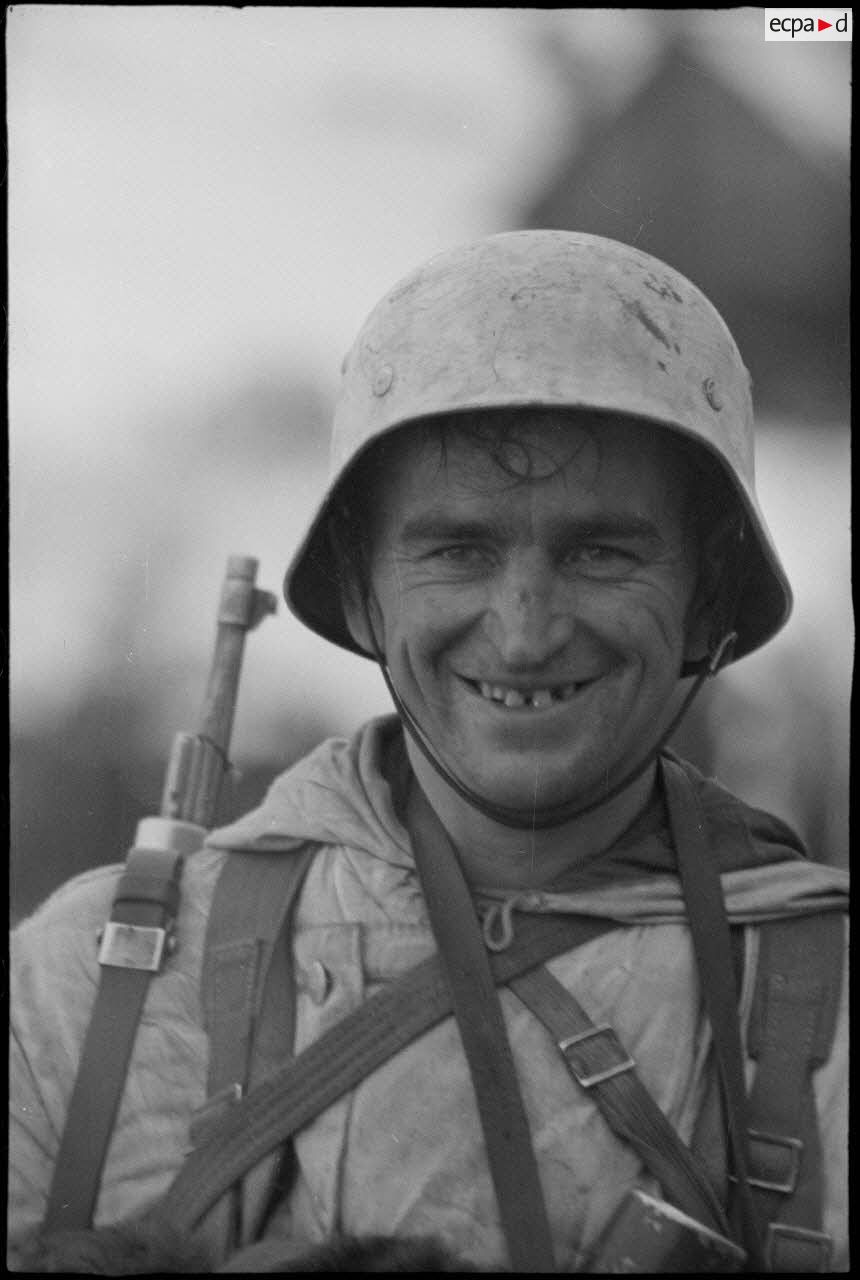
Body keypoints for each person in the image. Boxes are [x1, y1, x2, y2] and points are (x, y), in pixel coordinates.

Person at [8, 230, 848, 1273]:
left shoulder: (827, 1005)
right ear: (361, 589)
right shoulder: (85, 988)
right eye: (458, 549)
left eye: (599, 551)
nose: (526, 630)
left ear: (709, 595)